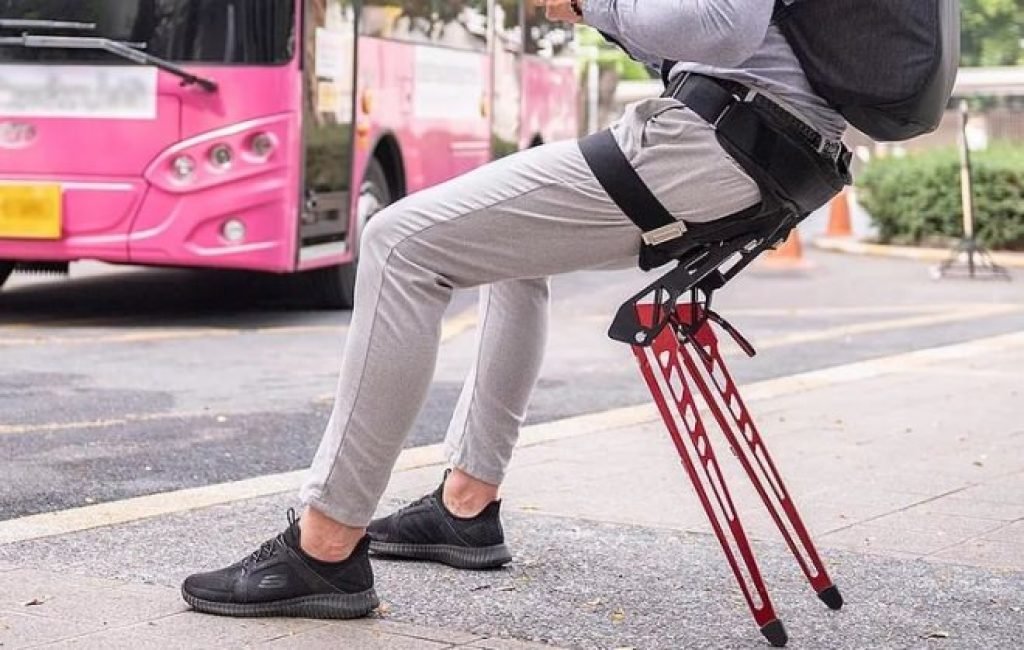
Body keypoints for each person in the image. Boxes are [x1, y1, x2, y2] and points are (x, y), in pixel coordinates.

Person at [181, 0, 846, 618]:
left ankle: (325, 545)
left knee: (396, 245)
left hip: (716, 140)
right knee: (509, 251)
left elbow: (725, 26)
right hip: (757, 146)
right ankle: (465, 506)